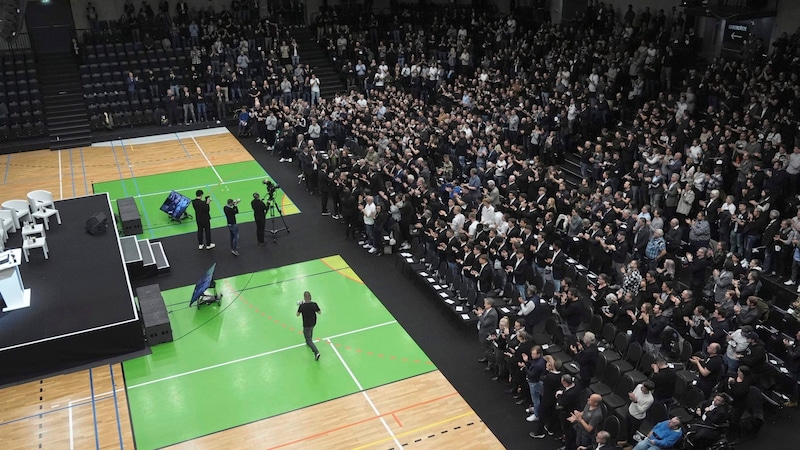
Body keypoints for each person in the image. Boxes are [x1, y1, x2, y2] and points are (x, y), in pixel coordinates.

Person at [618, 381, 655, 449]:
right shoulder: (639, 387)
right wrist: (632, 398)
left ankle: (631, 444)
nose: (641, 387)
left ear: (647, 390)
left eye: (643, 387)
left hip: (637, 418)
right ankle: (627, 441)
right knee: (627, 428)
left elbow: (641, 410)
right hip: (630, 411)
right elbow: (632, 397)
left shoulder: (650, 399)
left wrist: (635, 401)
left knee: (633, 432)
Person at [296, 291, 321, 360]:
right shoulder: (314, 304)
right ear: (310, 297)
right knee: (310, 331)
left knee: (308, 339)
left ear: (304, 298)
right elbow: (319, 312)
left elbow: (297, 314)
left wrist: (300, 305)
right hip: (313, 323)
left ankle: (316, 352)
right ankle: (308, 342)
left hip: (306, 324)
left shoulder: (302, 306)